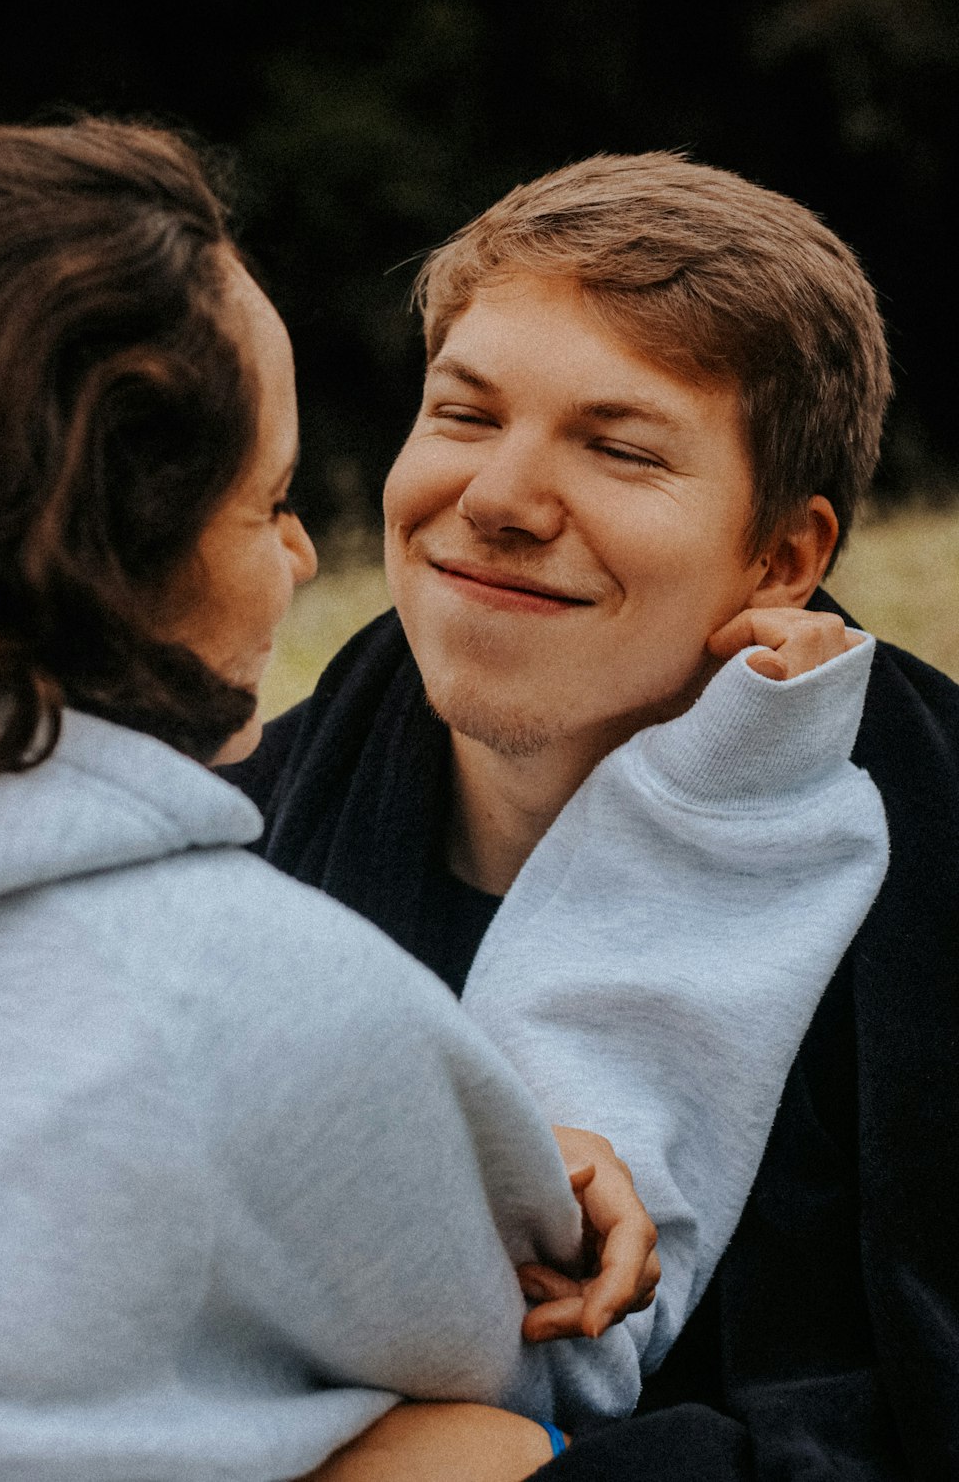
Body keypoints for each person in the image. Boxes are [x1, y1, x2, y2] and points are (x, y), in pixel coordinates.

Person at [0, 118, 667, 1482]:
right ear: (117, 553)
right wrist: (525, 1177)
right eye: (269, 499)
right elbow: (527, 1336)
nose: (301, 550)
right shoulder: (256, 991)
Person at [232, 153, 959, 1478]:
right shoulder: (212, 850)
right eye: (463, 415)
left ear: (785, 557)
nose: (499, 501)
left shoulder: (935, 859)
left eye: (618, 448)